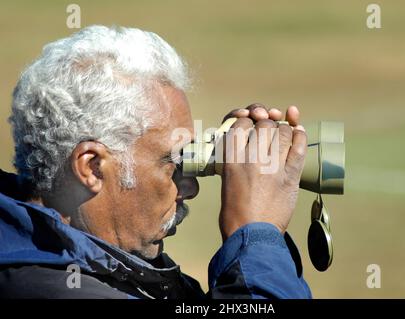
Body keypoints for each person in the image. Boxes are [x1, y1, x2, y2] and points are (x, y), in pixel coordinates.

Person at [0, 25, 311, 299]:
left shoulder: (102, 264)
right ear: (91, 167)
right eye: (174, 161)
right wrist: (255, 237)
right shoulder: (49, 288)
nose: (190, 188)